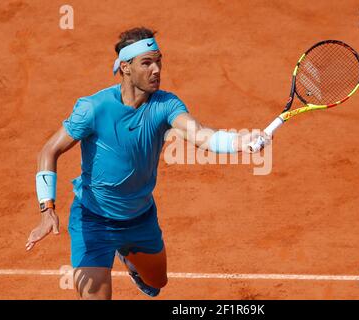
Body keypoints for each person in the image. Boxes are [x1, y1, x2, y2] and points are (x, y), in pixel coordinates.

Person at [25, 27, 270, 300]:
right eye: (147, 63)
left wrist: (240, 141)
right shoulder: (93, 108)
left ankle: (130, 259)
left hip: (139, 218)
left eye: (158, 61)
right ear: (126, 68)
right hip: (93, 220)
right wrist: (47, 209)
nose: (156, 70)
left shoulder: (166, 104)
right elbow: (49, 150)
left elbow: (200, 134)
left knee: (156, 283)